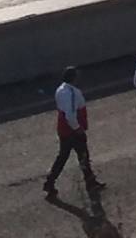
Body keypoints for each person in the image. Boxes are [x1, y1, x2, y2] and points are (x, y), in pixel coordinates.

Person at [44, 67, 103, 199]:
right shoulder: (72, 93)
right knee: (83, 156)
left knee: (63, 157)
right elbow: (70, 115)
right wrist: (78, 128)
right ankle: (90, 182)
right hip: (72, 131)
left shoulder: (60, 90)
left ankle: (50, 181)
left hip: (64, 130)